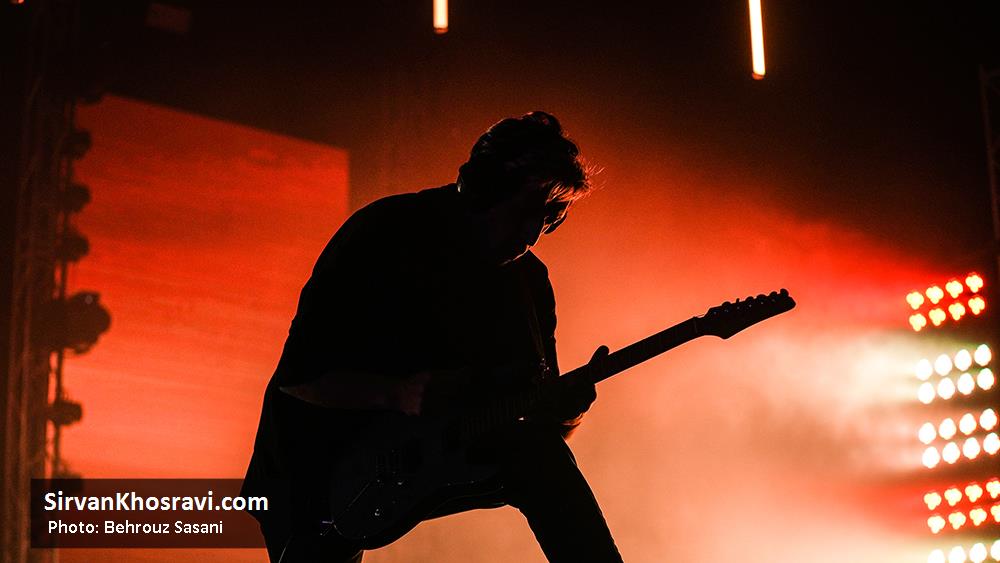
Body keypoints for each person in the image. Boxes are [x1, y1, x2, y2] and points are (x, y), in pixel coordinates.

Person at [241, 111, 624, 562]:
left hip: (427, 456)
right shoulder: (385, 233)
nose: (532, 235)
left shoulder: (529, 284)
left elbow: (536, 419)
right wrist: (397, 394)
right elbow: (300, 379)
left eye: (547, 218)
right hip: (315, 465)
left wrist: (567, 411)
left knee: (540, 455)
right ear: (487, 188)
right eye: (525, 212)